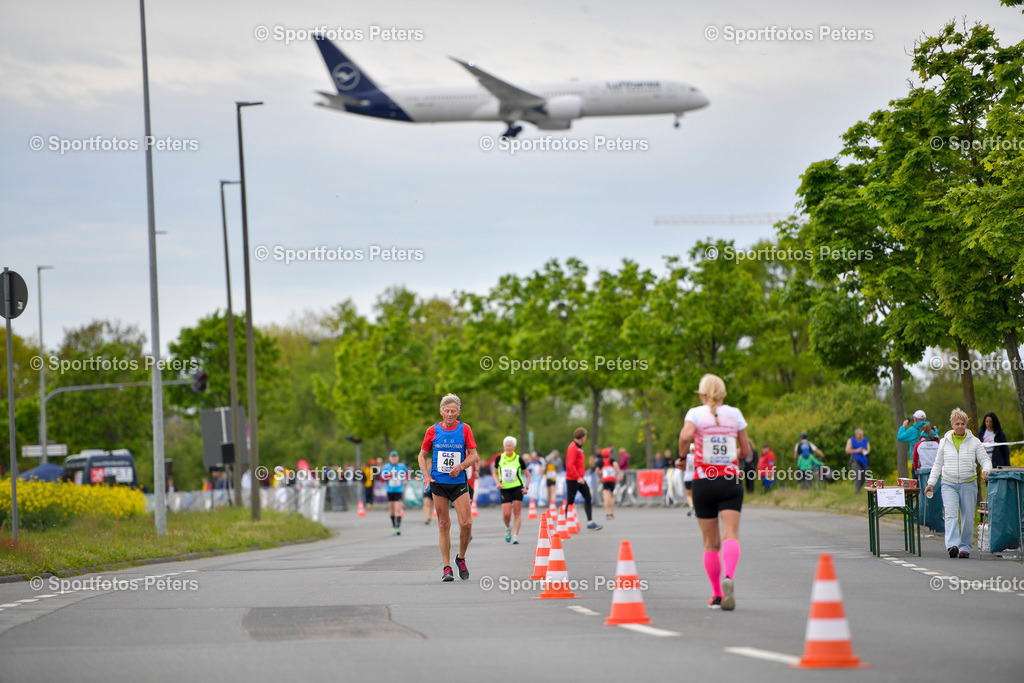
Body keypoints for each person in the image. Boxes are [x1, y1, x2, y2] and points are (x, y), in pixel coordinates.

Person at [676, 373, 751, 610]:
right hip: (730, 480)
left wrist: (681, 457)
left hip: (703, 482)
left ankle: (717, 594)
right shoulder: (735, 413)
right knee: (731, 535)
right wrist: (729, 454)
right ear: (723, 394)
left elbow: (685, 435)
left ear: (701, 394)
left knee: (710, 543)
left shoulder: (695, 413)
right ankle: (728, 576)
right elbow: (746, 450)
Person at [418, 393, 480, 581]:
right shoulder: (432, 431)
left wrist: (460, 466)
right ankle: (446, 567)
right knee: (444, 524)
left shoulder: (465, 429)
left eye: (453, 411)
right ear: (441, 412)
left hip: (458, 482)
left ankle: (460, 558)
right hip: (439, 483)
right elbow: (422, 456)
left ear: (458, 412)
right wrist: (426, 476)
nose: (450, 414)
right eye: (447, 411)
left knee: (466, 523)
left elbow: (474, 455)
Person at [924, 408, 993, 559]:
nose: (960, 426)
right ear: (952, 425)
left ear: (966, 425)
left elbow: (985, 460)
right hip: (948, 483)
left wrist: (986, 470)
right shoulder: (944, 442)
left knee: (968, 516)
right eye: (957, 423)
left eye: (962, 423)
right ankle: (952, 545)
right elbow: (937, 464)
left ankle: (965, 548)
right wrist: (931, 482)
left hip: (968, 483)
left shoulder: (974, 442)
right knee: (950, 515)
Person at [494, 436, 530, 544]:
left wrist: (526, 487)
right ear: (504, 447)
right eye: (506, 446)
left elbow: (528, 475)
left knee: (517, 512)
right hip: (505, 488)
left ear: (514, 447)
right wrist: (497, 483)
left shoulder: (519, 459)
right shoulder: (499, 458)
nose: (508, 447)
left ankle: (515, 535)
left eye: (510, 446)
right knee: (506, 513)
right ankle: (508, 528)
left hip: (517, 487)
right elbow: (494, 473)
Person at [565, 428, 602, 530]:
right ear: (582, 437)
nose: (585, 438)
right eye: (585, 436)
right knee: (570, 501)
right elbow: (570, 464)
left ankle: (590, 522)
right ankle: (565, 524)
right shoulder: (573, 447)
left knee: (588, 497)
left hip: (579, 478)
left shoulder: (579, 448)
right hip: (573, 479)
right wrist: (577, 477)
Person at [382, 451, 408, 536]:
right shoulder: (386, 467)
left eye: (395, 457)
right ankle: (393, 526)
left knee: (398, 510)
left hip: (398, 491)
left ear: (397, 458)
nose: (394, 458)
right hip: (390, 491)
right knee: (392, 511)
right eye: (392, 457)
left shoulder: (401, 466)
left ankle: (397, 527)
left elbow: (407, 473)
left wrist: (405, 479)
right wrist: (390, 475)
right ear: (389, 458)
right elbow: (382, 479)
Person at [845, 428, 871, 494]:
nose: (861, 436)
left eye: (862, 434)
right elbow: (847, 450)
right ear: (856, 434)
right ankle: (857, 490)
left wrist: (865, 452)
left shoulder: (865, 440)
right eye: (859, 434)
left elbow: (868, 449)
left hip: (864, 460)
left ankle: (859, 488)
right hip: (855, 459)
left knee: (864, 476)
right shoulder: (851, 440)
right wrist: (857, 450)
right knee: (858, 474)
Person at [599, 447, 622, 520]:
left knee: (606, 496)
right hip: (612, 480)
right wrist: (619, 474)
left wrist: (602, 471)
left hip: (605, 480)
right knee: (612, 496)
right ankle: (612, 513)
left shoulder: (601, 461)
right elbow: (616, 465)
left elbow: (597, 471)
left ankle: (607, 513)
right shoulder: (612, 460)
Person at [683, 443, 696, 514]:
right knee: (695, 494)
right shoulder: (697, 457)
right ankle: (696, 506)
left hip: (687, 477)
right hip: (695, 477)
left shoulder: (686, 457)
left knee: (688, 494)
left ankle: (691, 505)